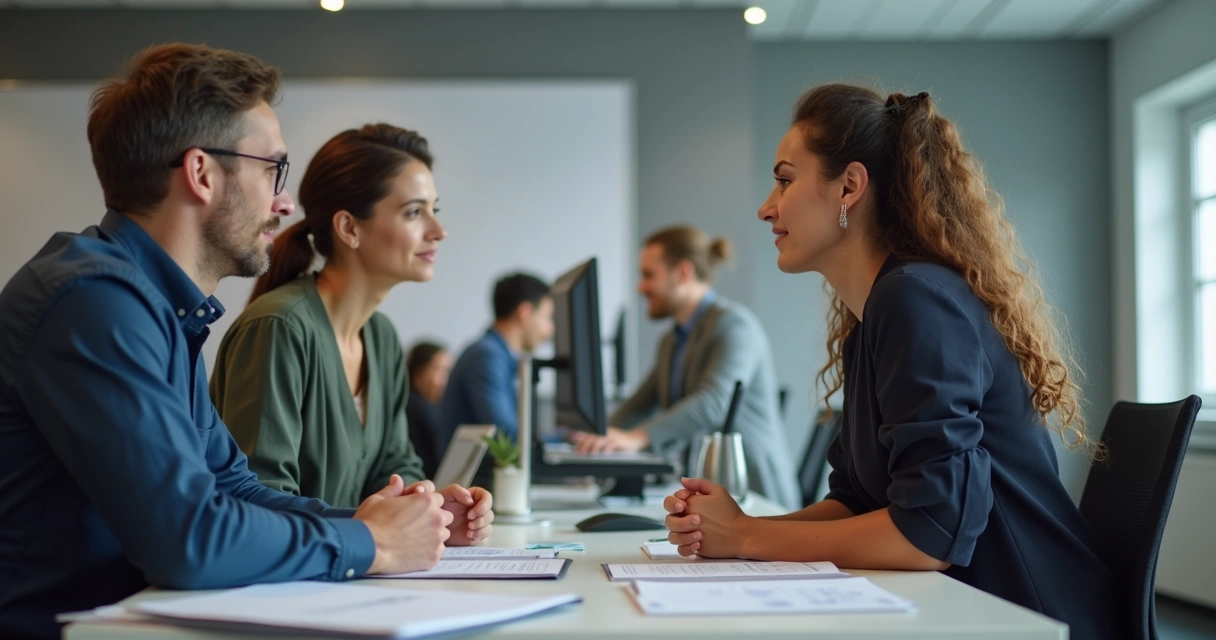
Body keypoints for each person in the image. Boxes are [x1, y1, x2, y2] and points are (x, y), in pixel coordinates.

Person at [0, 45, 453, 640]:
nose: (285, 203)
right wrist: (371, 541)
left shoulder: (159, 308)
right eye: (272, 171)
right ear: (201, 173)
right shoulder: (93, 302)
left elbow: (233, 488)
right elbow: (188, 540)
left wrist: (394, 523)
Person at [660, 84, 1117, 638]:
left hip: (1029, 614)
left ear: (849, 187)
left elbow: (930, 533)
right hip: (967, 605)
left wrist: (746, 537)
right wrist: (733, 528)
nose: (766, 207)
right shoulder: (876, 315)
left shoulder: (916, 300)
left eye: (784, 180)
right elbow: (857, 504)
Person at [210, 124, 492, 545]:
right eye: (414, 212)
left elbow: (395, 468)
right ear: (349, 228)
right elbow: (259, 501)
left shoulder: (380, 337)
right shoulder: (279, 328)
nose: (439, 230)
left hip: (349, 569)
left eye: (434, 209)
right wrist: (376, 529)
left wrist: (432, 510)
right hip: (290, 575)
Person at [572, 226, 800, 510]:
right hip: (711, 495)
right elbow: (639, 405)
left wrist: (635, 438)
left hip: (755, 495)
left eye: (648, 275)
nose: (640, 287)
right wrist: (597, 436)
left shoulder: (735, 326)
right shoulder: (673, 340)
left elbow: (712, 402)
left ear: (682, 272)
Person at [439, 273, 553, 452]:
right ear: (525, 313)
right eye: (547, 318)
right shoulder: (487, 357)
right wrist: (564, 439)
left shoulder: (493, 354)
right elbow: (506, 437)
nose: (550, 330)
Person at [405, 341, 453, 478]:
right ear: (418, 372)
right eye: (441, 370)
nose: (447, 380)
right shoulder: (417, 409)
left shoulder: (435, 407)